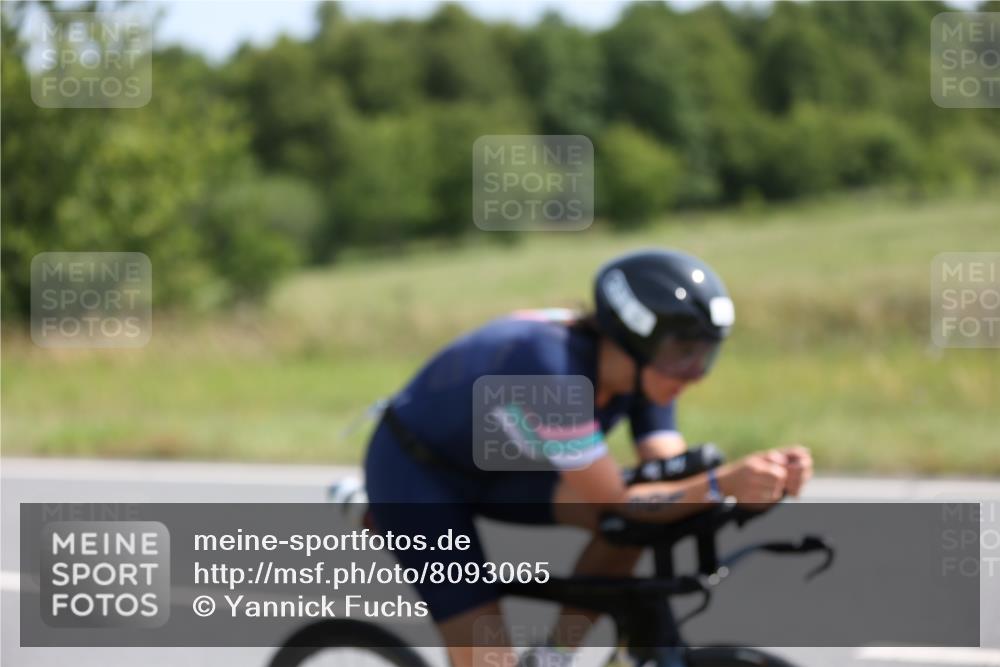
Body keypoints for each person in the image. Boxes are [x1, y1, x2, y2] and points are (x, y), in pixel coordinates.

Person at [362, 248, 813, 667]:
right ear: (633, 338)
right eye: (684, 353)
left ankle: (553, 655)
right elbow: (615, 497)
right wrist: (721, 483)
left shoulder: (646, 372)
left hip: (503, 466)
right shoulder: (548, 371)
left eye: (706, 354)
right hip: (418, 477)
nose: (694, 374)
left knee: (640, 522)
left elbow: (666, 475)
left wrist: (752, 483)